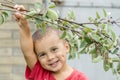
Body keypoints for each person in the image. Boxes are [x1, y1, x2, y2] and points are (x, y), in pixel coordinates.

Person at [14, 4, 88, 80]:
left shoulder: (79, 78)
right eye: (42, 54)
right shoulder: (39, 71)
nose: (50, 57)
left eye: (54, 49)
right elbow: (27, 53)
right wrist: (24, 24)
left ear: (66, 47)